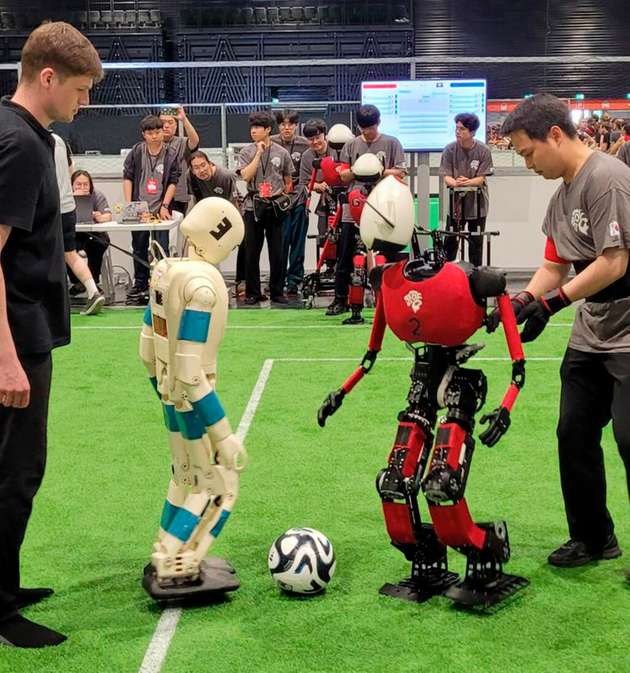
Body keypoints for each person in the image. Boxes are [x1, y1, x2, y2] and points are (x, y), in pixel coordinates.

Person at [0, 21, 102, 647]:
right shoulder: (19, 145)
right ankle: (1, 609)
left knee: (16, 471)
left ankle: (4, 583)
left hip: (28, 328)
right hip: (14, 335)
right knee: (14, 472)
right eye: (81, 90)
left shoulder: (28, 137)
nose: (84, 102)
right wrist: (6, 359)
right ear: (48, 77)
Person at [500, 93, 629, 573]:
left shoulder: (608, 179)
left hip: (628, 334)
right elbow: (554, 264)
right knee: (573, 432)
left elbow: (615, 263)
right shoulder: (560, 197)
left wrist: (553, 303)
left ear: (555, 135)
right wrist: (523, 302)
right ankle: (594, 539)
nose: (526, 162)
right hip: (592, 331)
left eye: (528, 151)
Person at [327, 104, 407, 316]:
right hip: (353, 205)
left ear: (378, 123)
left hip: (383, 206)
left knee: (387, 255)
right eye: (363, 129)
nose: (367, 133)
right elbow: (342, 175)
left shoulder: (391, 143)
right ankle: (340, 299)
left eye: (370, 128)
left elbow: (401, 172)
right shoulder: (351, 146)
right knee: (344, 255)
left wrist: (378, 171)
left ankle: (391, 301)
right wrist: (358, 171)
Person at [237, 111, 294, 306]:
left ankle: (278, 291)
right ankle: (253, 292)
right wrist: (259, 153)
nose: (253, 131)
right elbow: (245, 176)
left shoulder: (282, 152)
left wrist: (283, 198)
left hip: (275, 206)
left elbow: (288, 179)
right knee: (251, 250)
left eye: (258, 128)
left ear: (268, 129)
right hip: (253, 205)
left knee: (277, 251)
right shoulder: (246, 152)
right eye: (252, 128)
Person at [122, 115, 180, 304]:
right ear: (143, 135)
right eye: (150, 133)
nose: (154, 136)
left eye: (157, 132)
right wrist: (129, 204)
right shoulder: (137, 151)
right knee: (139, 247)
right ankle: (140, 283)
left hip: (160, 209)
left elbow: (173, 181)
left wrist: (164, 205)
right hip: (139, 208)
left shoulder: (171, 154)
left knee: (161, 248)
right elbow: (128, 176)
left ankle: (162, 283)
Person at [51, 135, 105, 316]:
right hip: (68, 206)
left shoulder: (36, 138)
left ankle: (50, 301)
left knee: (48, 253)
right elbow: (70, 171)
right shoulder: (59, 140)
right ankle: (93, 291)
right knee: (71, 254)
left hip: (48, 206)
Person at [439, 112, 494, 267]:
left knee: (476, 242)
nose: (458, 132)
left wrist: (469, 182)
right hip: (456, 204)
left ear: (472, 132)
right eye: (456, 128)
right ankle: (446, 274)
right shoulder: (449, 149)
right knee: (450, 241)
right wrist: (456, 183)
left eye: (462, 129)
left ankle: (475, 275)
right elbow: (446, 176)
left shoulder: (483, 150)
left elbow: (482, 177)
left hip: (478, 205)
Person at [188, 151, 245, 292]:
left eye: (203, 165)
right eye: (196, 168)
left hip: (231, 214)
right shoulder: (190, 177)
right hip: (208, 216)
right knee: (200, 246)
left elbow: (234, 203)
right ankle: (206, 281)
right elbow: (195, 200)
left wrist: (235, 229)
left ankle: (242, 281)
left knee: (244, 244)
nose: (201, 170)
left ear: (210, 163)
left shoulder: (225, 176)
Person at [271, 110, 310, 296]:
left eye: (291, 124)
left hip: (299, 199)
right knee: (280, 243)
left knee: (297, 243)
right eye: (283, 124)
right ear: (278, 126)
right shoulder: (270, 142)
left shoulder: (305, 144)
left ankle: (295, 280)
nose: (287, 128)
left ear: (296, 125)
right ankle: (277, 281)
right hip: (278, 202)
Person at [70, 169, 112, 290]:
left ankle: (91, 281)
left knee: (98, 244)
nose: (82, 187)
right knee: (63, 247)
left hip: (93, 234)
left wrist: (99, 217)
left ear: (90, 185)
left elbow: (108, 215)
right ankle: (77, 280)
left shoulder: (97, 195)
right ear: (72, 185)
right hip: (73, 235)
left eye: (85, 184)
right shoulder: (65, 198)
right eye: (78, 184)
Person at [159, 106, 200, 215]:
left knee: (176, 230)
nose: (166, 126)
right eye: (162, 122)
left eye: (170, 122)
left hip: (178, 197)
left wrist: (184, 119)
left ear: (176, 126)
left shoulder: (181, 143)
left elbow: (195, 141)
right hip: (155, 197)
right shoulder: (151, 144)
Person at [300, 118, 334, 239]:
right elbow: (304, 182)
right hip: (323, 204)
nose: (315, 142)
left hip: (341, 201)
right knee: (323, 238)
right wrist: (317, 186)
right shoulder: (306, 156)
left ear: (325, 135)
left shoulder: (337, 149)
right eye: (310, 139)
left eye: (318, 137)